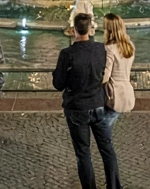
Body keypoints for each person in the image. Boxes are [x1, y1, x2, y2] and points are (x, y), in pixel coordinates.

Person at [53, 12, 121, 189]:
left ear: (74, 30)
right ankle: (114, 186)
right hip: (98, 105)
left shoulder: (67, 54)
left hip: (77, 108)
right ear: (90, 29)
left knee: (83, 153)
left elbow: (58, 84)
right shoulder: (100, 49)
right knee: (107, 149)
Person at [101, 13, 135, 129]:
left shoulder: (109, 49)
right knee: (106, 127)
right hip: (126, 91)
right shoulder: (130, 46)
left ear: (109, 30)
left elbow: (105, 76)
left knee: (103, 129)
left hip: (113, 94)